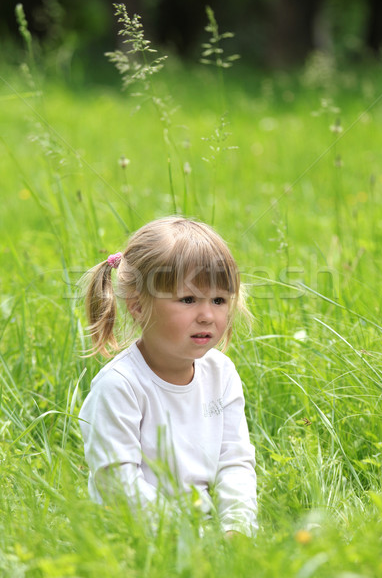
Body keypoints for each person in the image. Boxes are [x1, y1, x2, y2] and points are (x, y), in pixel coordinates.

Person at [79, 216, 258, 536]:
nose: (207, 315)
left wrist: (237, 532)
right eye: (188, 300)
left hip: (198, 534)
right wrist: (191, 536)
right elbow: (118, 486)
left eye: (218, 300)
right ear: (138, 307)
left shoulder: (221, 374)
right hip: (129, 538)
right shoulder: (120, 387)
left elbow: (235, 464)